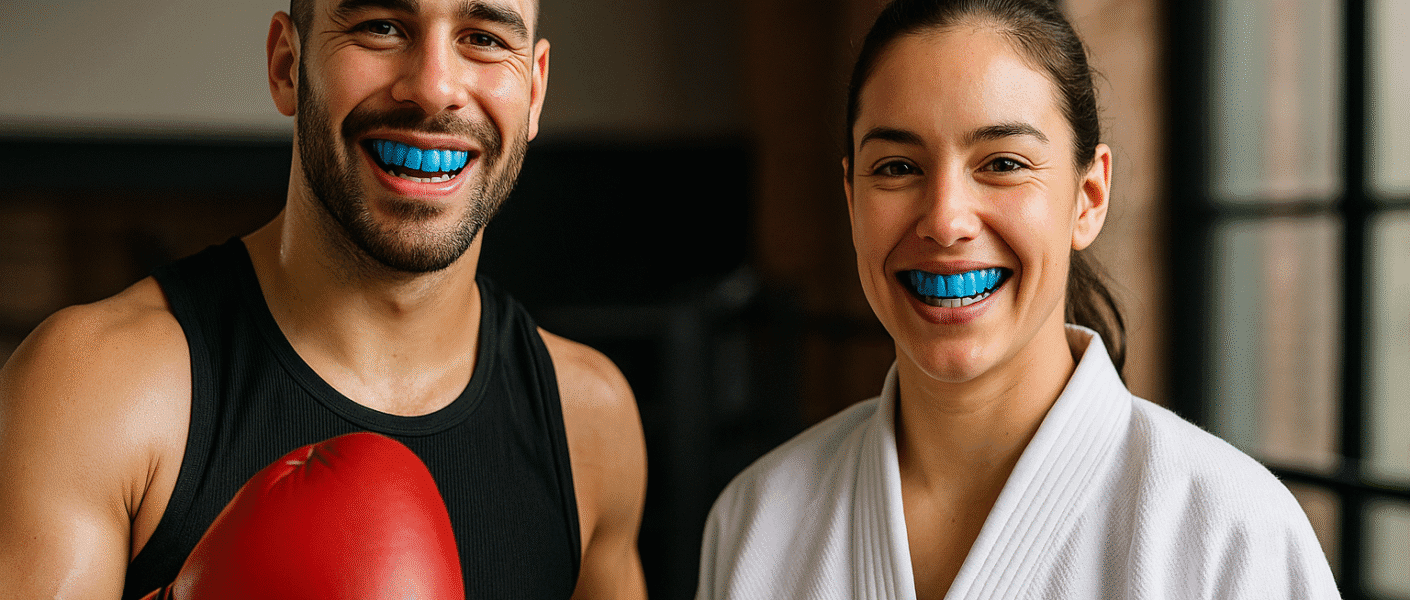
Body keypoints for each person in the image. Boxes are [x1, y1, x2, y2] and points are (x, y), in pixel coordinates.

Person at [0, 0, 648, 598]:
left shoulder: (589, 418)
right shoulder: (94, 388)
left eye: (482, 39)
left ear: (533, 91)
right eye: (381, 26)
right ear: (287, 65)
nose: (433, 87)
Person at [695, 0, 1339, 598]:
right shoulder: (756, 520)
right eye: (896, 167)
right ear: (850, 197)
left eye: (1002, 163)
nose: (945, 221)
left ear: (1089, 197)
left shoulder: (1233, 535)